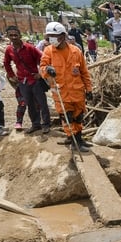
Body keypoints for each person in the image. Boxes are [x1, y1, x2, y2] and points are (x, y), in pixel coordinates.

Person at [39, 22, 93, 153]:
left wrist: (89, 89)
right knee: (67, 118)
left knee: (78, 117)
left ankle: (78, 138)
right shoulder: (48, 51)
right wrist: (47, 69)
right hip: (60, 92)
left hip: (77, 91)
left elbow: (84, 72)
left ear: (62, 36)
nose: (50, 39)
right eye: (49, 36)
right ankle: (74, 141)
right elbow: (42, 68)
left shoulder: (76, 51)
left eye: (53, 36)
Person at [3, 25, 51, 134]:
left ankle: (46, 124)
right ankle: (35, 124)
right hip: (22, 81)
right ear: (8, 37)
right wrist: (11, 75)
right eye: (11, 35)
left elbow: (43, 59)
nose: (14, 37)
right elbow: (6, 63)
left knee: (42, 103)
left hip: (35, 80)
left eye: (16, 35)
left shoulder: (30, 48)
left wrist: (40, 73)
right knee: (30, 104)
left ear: (20, 35)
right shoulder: (9, 50)